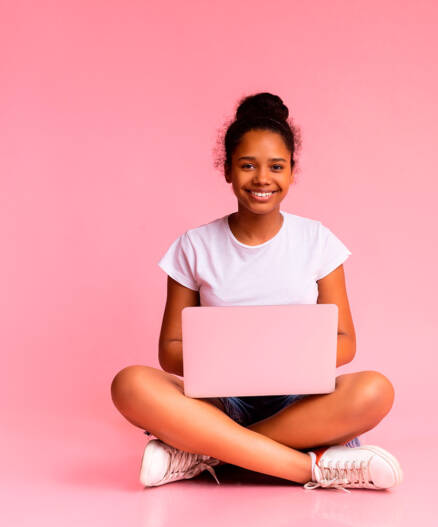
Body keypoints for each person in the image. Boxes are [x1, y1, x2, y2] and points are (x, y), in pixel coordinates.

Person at [110, 92, 403, 493]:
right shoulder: (194, 246)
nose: (262, 179)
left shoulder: (317, 241)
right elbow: (170, 351)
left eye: (276, 167)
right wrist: (233, 355)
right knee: (130, 383)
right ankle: (310, 467)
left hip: (299, 402)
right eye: (247, 166)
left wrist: (278, 354)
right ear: (228, 170)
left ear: (291, 172)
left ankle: (203, 452)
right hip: (219, 403)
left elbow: (346, 342)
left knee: (375, 390)